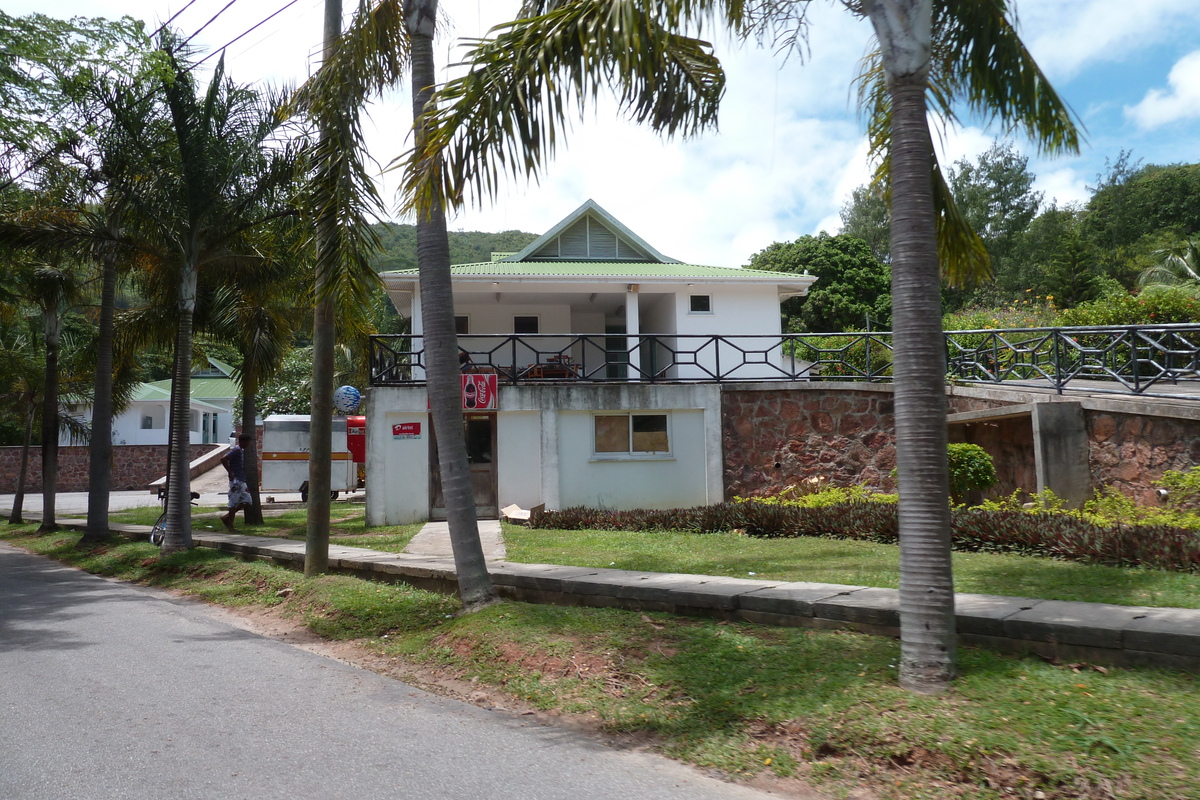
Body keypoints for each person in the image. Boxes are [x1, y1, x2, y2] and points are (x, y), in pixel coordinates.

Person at [220, 433, 254, 530]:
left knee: (247, 500)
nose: (248, 444)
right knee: (234, 502)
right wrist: (230, 472)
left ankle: (227, 517)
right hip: (236, 480)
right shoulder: (236, 450)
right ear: (243, 442)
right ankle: (230, 523)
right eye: (248, 442)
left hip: (241, 479)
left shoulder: (241, 451)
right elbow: (223, 459)